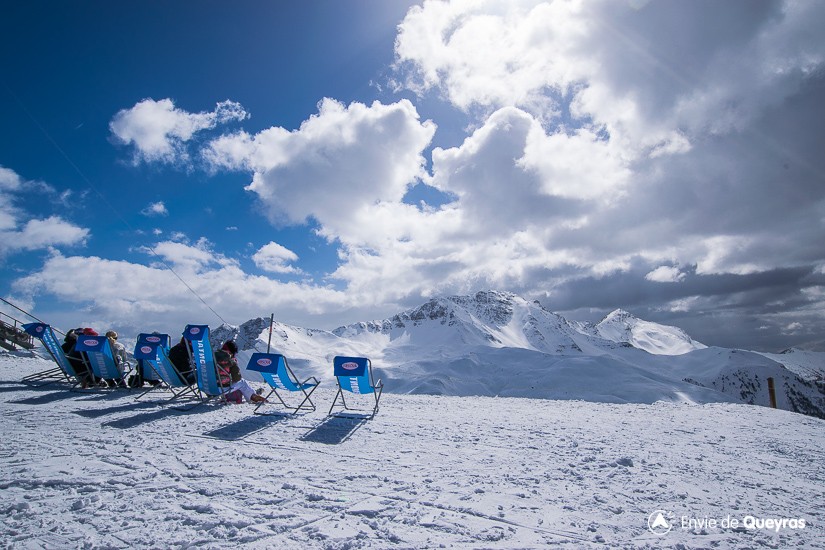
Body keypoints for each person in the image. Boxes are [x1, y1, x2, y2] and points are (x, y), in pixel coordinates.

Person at [216, 340, 266, 404]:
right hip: (222, 389)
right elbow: (237, 378)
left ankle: (253, 393)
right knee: (242, 382)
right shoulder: (231, 361)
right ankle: (253, 397)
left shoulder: (213, 358)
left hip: (210, 387)